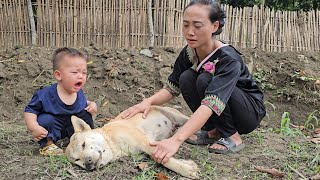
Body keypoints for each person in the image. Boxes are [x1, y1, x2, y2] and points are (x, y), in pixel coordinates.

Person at [121, 0, 266, 164]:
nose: (190, 32)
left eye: (197, 26)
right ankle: (213, 131)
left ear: (214, 26)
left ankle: (233, 136)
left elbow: (211, 103)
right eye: (186, 25)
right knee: (186, 77)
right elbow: (171, 87)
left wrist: (176, 140)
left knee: (205, 79)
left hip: (248, 112)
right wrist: (147, 102)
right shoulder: (190, 52)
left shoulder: (228, 58)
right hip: (221, 105)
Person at [23, 47, 97, 156]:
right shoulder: (45, 95)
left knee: (86, 114)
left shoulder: (79, 92)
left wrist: (91, 104)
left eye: (84, 73)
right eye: (75, 72)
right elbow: (30, 110)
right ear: (58, 75)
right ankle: (48, 145)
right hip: (54, 126)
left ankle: (82, 139)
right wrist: (34, 127)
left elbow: (82, 102)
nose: (80, 76)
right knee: (46, 119)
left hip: (72, 126)